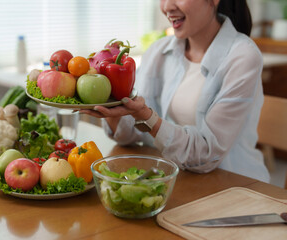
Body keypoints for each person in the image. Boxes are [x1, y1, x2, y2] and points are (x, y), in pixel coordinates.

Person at [80, 0, 270, 182]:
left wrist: (148, 117)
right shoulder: (159, 51)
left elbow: (206, 154)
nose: (167, 7)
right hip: (177, 179)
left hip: (234, 187)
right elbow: (133, 135)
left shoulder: (243, 56)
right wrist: (112, 102)